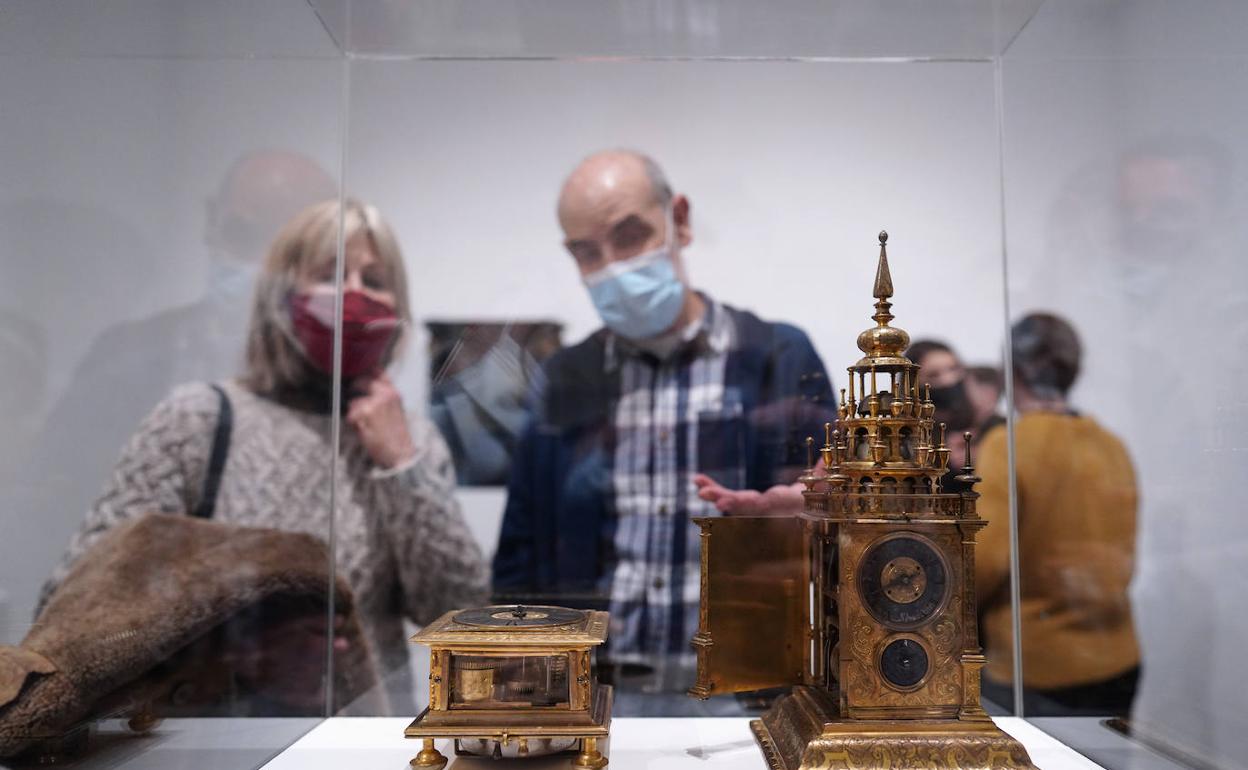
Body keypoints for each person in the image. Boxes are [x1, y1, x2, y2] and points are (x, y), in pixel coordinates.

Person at [39, 199, 489, 712]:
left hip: (360, 742)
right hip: (214, 740)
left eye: (376, 280)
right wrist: (235, 646)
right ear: (282, 295)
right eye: (331, 274)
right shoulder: (197, 420)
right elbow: (79, 603)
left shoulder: (412, 441)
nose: (355, 295)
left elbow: (461, 615)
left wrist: (402, 466)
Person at [492, 150, 835, 664]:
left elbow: (839, 521)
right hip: (594, 687)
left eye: (630, 236)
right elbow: (522, 549)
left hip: (749, 679)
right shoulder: (565, 377)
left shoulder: (779, 356)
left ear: (679, 220)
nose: (613, 268)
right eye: (588, 252)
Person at [975, 313, 1140, 715]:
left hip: (1036, 666)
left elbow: (983, 563)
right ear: (1075, 370)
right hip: (1117, 655)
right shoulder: (1111, 444)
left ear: (1009, 372)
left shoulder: (1007, 444)